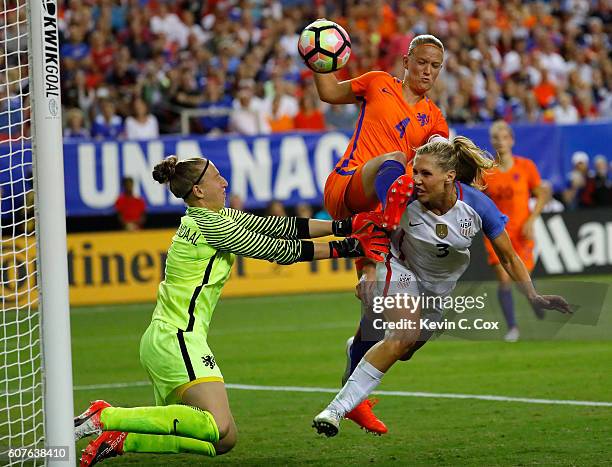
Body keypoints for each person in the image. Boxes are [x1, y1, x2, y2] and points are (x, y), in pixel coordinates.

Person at [74, 155, 390, 466]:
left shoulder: (215, 217)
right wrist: (349, 245)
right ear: (198, 190)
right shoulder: (208, 224)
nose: (224, 182)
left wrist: (344, 226)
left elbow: (277, 227)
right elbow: (277, 249)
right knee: (217, 425)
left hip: (170, 338)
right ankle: (105, 415)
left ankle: (121, 440)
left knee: (224, 440)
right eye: (215, 177)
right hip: (177, 337)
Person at [312, 136, 571, 438]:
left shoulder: (476, 206)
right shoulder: (402, 194)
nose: (416, 180)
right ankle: (335, 410)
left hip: (438, 290)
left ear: (449, 177)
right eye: (415, 171)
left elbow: (509, 257)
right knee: (401, 337)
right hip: (399, 268)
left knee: (403, 349)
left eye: (425, 174)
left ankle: (359, 345)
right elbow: (371, 229)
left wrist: (533, 295)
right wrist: (368, 271)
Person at [311, 33, 449, 433]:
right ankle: (389, 227)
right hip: (351, 185)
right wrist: (321, 58)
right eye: (421, 62)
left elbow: (439, 163)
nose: (427, 71)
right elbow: (328, 92)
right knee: (391, 162)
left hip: (377, 216)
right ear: (406, 60)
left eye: (435, 66)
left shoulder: (434, 118)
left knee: (405, 333)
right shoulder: (376, 82)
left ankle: (354, 393)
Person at [483, 121, 551, 342]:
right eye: (495, 138)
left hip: (522, 231)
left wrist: (532, 219)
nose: (500, 142)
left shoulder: (525, 167)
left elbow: (541, 193)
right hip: (496, 233)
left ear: (511, 140)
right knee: (504, 278)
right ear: (492, 142)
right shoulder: (486, 171)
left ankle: (535, 301)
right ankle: (512, 328)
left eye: (503, 137)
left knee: (523, 280)